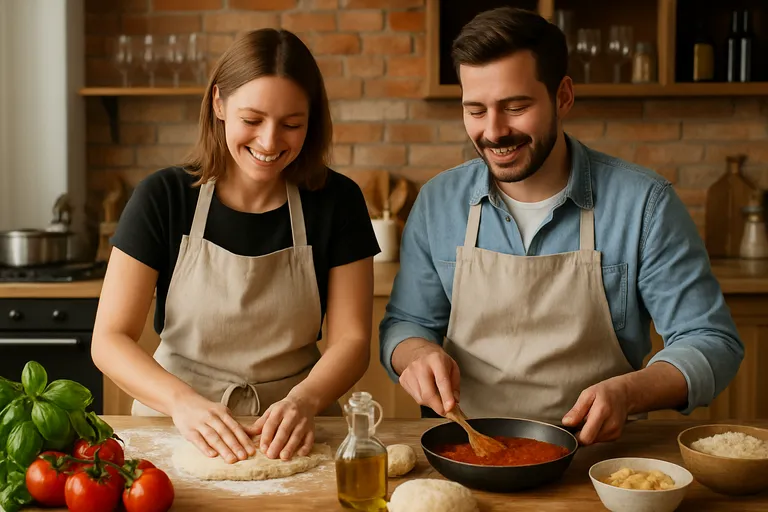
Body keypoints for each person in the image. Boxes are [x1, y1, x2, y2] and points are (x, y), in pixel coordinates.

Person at [379, 7, 744, 446]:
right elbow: (406, 323)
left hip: (600, 460)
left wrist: (629, 392)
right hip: (467, 448)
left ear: (563, 97)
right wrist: (416, 354)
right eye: (475, 110)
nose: (493, 132)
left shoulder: (644, 204)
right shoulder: (438, 203)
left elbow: (711, 341)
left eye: (515, 107)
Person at [92, 28, 380, 464]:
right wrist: (181, 403)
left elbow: (352, 339)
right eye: (252, 120)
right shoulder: (164, 197)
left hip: (292, 433)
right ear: (218, 103)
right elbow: (109, 339)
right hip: (173, 427)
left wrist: (304, 401)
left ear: (312, 120)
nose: (269, 142)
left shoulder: (338, 202)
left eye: (292, 125)